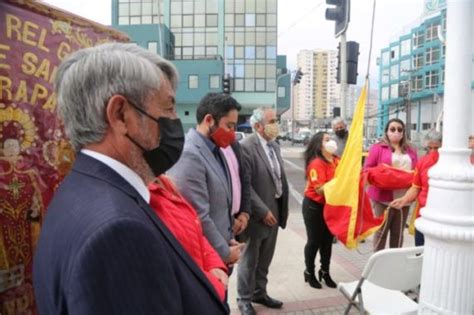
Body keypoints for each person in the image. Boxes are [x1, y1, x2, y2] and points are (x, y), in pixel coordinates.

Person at [33, 43, 228, 314]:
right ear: (120, 115)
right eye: (168, 107)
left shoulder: (81, 190)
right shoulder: (119, 232)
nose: (175, 121)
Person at [168, 93, 247, 267]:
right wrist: (224, 251)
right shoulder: (190, 154)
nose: (233, 134)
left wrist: (228, 239)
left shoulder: (215, 149)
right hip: (206, 258)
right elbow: (198, 215)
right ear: (209, 120)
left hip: (222, 248)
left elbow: (219, 202)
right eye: (229, 126)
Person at [237, 107, 289, 315]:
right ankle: (244, 299)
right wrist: (262, 210)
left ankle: (260, 292)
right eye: (272, 121)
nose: (276, 124)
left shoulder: (274, 145)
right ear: (258, 126)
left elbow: (277, 176)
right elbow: (246, 184)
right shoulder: (246, 147)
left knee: (266, 257)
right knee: (249, 259)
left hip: (275, 208)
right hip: (257, 213)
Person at [148, 175, 229, 302]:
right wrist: (212, 284)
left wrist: (213, 264)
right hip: (193, 296)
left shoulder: (164, 182)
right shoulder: (143, 196)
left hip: (206, 288)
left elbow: (194, 228)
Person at [364, 118, 418, 252]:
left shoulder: (411, 150)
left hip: (404, 198)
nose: (396, 132)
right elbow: (367, 169)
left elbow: (417, 172)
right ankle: (378, 262)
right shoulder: (378, 148)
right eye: (392, 129)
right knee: (381, 232)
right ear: (387, 132)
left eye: (399, 129)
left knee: (398, 233)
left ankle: (395, 261)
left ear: (404, 132)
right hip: (383, 198)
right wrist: (386, 175)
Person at [390, 130, 442, 246]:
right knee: (420, 251)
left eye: (437, 148)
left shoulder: (451, 163)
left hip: (442, 216)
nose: (433, 151)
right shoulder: (422, 162)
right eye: (430, 148)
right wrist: (404, 200)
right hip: (423, 214)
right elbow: (416, 188)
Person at [302, 132, 338, 289]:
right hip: (314, 206)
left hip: (331, 206)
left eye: (331, 139)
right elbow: (319, 190)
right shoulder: (316, 163)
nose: (332, 142)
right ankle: (309, 272)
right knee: (314, 241)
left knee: (327, 241)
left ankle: (325, 271)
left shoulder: (337, 160)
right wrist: (340, 182)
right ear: (319, 144)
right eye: (327, 140)